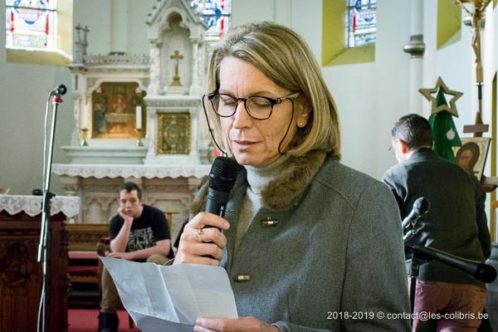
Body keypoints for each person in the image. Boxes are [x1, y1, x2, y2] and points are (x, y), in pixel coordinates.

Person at [173, 22, 410, 331]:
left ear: (304, 110)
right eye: (228, 102)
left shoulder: (361, 202)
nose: (238, 122)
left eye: (261, 102)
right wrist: (179, 277)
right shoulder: (216, 192)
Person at [383, 114, 491, 332]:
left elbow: (386, 241)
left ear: (401, 145)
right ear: (429, 141)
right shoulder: (467, 178)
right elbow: (485, 244)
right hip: (469, 281)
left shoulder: (395, 177)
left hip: (422, 280)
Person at [99, 182, 174, 332]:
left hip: (156, 266)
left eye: (132, 200)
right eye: (124, 201)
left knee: (153, 259)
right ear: (119, 202)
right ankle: (108, 316)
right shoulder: (116, 221)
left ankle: (154, 316)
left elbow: (164, 249)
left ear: (140, 201)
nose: (128, 205)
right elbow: (116, 250)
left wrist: (128, 255)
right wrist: (127, 223)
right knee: (111, 263)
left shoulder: (155, 215)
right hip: (131, 269)